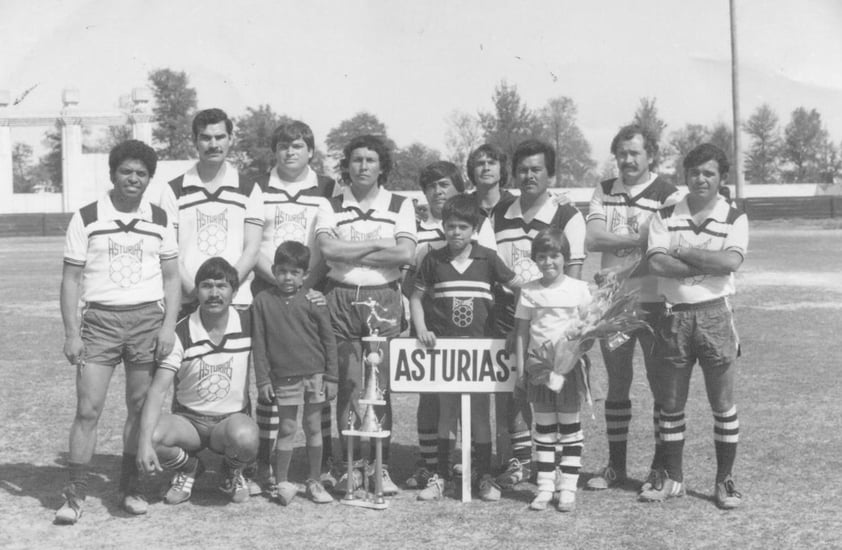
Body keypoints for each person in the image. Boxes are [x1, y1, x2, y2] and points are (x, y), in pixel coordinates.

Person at [56, 140, 180, 524]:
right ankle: (75, 495)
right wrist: (72, 332)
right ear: (113, 174)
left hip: (146, 322)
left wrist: (167, 327)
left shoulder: (160, 218)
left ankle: (131, 487)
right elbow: (71, 279)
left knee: (140, 407)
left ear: (149, 179)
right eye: (126, 171)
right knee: (87, 408)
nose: (133, 178)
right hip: (101, 323)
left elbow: (173, 277)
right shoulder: (87, 216)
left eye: (141, 173)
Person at [640, 143, 747, 510]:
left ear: (721, 178)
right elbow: (656, 264)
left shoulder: (734, 217)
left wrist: (683, 251)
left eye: (709, 173)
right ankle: (674, 479)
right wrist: (708, 262)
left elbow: (731, 261)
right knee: (671, 405)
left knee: (723, 404)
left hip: (716, 314)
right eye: (695, 172)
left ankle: (724, 480)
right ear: (685, 175)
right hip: (674, 315)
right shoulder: (665, 214)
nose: (701, 179)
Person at [315, 135, 416, 496]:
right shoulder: (331, 204)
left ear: (382, 166)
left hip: (383, 297)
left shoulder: (400, 205)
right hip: (341, 296)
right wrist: (377, 244)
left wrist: (351, 251)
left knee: (379, 386)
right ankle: (349, 467)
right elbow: (328, 249)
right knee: (348, 384)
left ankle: (379, 466)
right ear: (348, 165)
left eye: (370, 160)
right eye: (356, 159)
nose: (363, 166)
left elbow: (405, 254)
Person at [584, 124, 683, 492]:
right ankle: (616, 467)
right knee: (618, 382)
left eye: (634, 153)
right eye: (622, 153)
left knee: (661, 384)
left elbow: (660, 252)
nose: (626, 160)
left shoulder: (668, 194)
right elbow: (593, 239)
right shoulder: (604, 189)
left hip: (655, 301)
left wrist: (624, 260)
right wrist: (640, 238)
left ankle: (658, 468)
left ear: (651, 155)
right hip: (613, 303)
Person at [490, 139, 586, 489]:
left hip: (553, 321)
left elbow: (572, 277)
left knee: (555, 389)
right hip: (508, 314)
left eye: (536, 169)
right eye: (523, 170)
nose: (529, 176)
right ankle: (521, 459)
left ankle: (559, 462)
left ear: (550, 174)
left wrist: (567, 330)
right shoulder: (499, 213)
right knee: (513, 387)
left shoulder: (567, 215)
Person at [410, 195, 518, 502]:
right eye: (450, 226)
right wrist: (422, 328)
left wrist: (514, 328)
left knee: (480, 416)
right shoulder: (433, 258)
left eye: (462, 227)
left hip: (480, 352)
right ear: (443, 227)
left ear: (474, 229)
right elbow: (416, 298)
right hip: (445, 351)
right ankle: (441, 476)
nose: (455, 232)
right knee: (447, 414)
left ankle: (482, 476)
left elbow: (519, 289)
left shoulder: (487, 259)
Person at [250, 120, 338, 490]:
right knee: (275, 385)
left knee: (315, 379)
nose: (290, 152)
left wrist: (306, 285)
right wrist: (279, 282)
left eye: (298, 146)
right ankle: (265, 465)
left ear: (310, 151)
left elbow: (328, 243)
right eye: (284, 146)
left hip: (310, 287)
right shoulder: (257, 186)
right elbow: (252, 242)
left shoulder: (327, 187)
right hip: (270, 285)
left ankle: (323, 467)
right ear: (275, 151)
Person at [402, 161, 497, 489]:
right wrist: (422, 324)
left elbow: (496, 280)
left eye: (444, 184)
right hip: (434, 331)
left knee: (478, 408)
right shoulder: (417, 229)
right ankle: (431, 467)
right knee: (434, 402)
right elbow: (410, 286)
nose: (437, 191)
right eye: (431, 186)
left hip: (475, 334)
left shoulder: (479, 228)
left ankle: (477, 470)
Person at [136, 258, 258, 506]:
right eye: (206, 286)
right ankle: (189, 467)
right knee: (152, 435)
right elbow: (157, 391)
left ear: (234, 292)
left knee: (247, 438)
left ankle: (231, 471)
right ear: (196, 291)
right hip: (189, 421)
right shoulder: (180, 333)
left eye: (222, 286)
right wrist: (143, 443)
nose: (214, 293)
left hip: (230, 420)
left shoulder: (248, 323)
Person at [251, 241, 338, 505]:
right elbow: (260, 344)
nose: (287, 277)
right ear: (274, 270)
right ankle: (282, 482)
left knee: (313, 427)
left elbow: (329, 341)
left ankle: (314, 480)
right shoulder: (262, 302)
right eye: (282, 271)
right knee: (287, 428)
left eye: (294, 272)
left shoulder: (314, 300)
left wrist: (332, 377)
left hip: (315, 376)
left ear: (304, 274)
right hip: (283, 377)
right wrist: (263, 379)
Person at [514, 228, 591, 512]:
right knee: (545, 429)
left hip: (569, 370)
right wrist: (522, 370)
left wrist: (575, 354)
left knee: (569, 429)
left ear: (565, 258)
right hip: (538, 369)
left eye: (555, 256)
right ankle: (545, 486)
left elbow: (588, 330)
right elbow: (522, 332)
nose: (548, 262)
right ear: (534, 260)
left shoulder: (579, 289)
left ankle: (568, 487)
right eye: (542, 256)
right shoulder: (529, 291)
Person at [158, 108, 263, 314]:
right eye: (206, 138)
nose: (213, 145)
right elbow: (169, 251)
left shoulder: (249, 189)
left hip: (237, 300)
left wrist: (226, 289)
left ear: (230, 139)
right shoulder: (174, 190)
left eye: (220, 137)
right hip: (188, 301)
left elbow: (252, 249)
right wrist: (197, 292)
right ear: (194, 140)